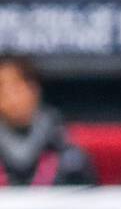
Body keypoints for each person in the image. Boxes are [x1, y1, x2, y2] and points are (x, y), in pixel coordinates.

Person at [0, 55, 97, 186]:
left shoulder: (60, 140)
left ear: (34, 88)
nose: (11, 98)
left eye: (17, 87)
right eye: (2, 90)